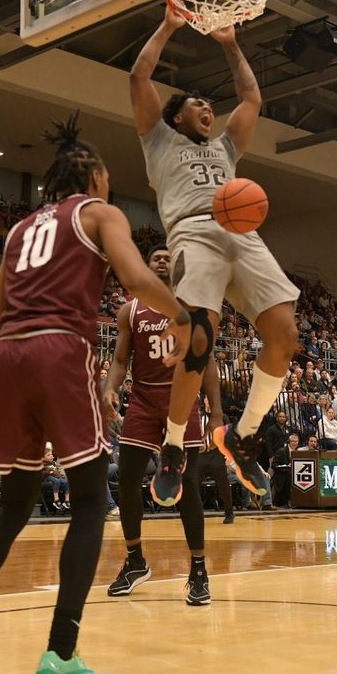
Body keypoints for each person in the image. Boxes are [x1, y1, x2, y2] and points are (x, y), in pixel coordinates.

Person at [0, 114, 189, 674]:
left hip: (9, 357)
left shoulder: (18, 232)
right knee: (92, 499)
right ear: (90, 177)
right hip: (59, 350)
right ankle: (61, 657)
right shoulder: (98, 214)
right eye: (108, 177)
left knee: (14, 505)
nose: (111, 186)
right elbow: (138, 278)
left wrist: (11, 374)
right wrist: (183, 316)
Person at [129, 4, 299, 508]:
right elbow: (139, 75)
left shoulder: (226, 148)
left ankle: (242, 437)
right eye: (198, 104)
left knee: (285, 335)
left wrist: (229, 43)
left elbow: (251, 96)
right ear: (176, 114)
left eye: (209, 105)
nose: (208, 109)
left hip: (241, 234)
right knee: (199, 338)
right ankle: (176, 447)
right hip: (194, 234)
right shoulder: (157, 139)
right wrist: (168, 25)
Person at [102, 244, 218, 605]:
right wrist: (110, 387)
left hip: (181, 401)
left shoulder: (192, 308)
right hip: (143, 399)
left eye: (170, 257)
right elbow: (121, 359)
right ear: (147, 266)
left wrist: (216, 412)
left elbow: (207, 358)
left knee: (187, 484)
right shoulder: (130, 309)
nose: (163, 260)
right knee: (127, 479)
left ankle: (199, 570)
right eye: (157, 257)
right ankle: (135, 560)